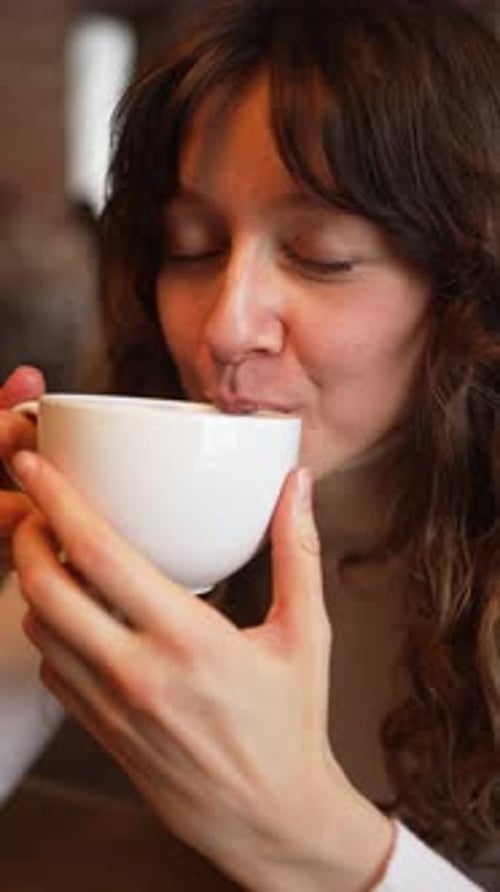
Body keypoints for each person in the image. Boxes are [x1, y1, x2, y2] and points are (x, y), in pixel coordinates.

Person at [1, 0, 499, 888]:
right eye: (190, 248)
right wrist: (33, 595)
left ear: (470, 291)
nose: (225, 329)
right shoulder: (173, 530)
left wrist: (319, 840)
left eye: (322, 255)